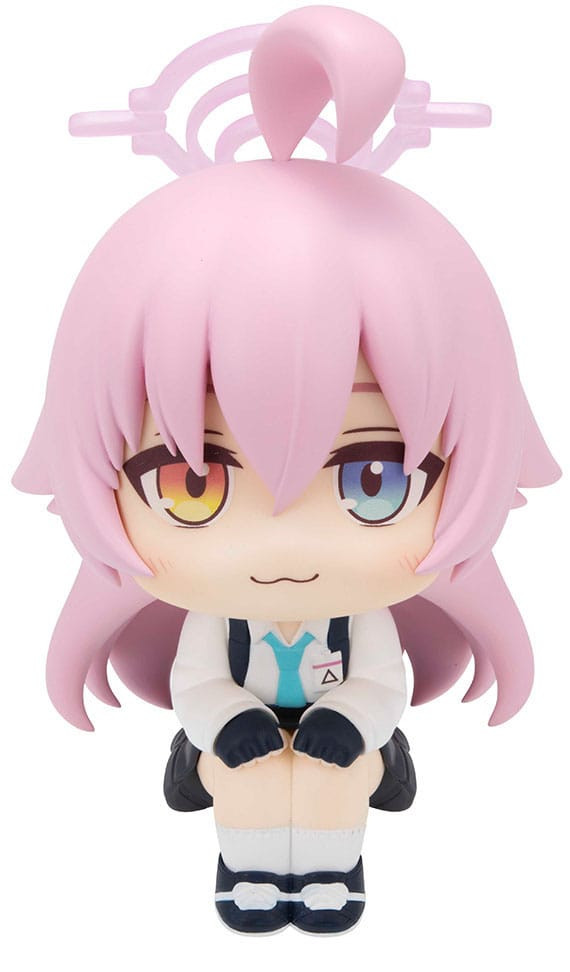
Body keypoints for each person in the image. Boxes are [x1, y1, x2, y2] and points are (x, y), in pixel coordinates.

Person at [12, 6, 560, 935]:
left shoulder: (363, 618)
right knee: (249, 785)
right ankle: (250, 873)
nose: (285, 545)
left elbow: (380, 679)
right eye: (193, 484)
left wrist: (353, 721)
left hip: (349, 742)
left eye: (374, 481)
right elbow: (199, 681)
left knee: (339, 783)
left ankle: (335, 876)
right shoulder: (216, 627)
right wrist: (229, 724)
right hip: (239, 745)